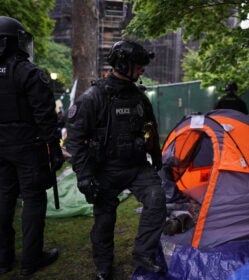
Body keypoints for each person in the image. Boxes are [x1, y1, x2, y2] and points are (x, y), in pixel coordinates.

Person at [66, 40, 167, 280]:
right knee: (104, 219)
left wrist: (156, 154)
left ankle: (143, 253)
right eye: (138, 65)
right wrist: (85, 176)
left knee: (157, 198)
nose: (142, 69)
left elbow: (150, 127)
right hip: (106, 169)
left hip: (136, 166)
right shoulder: (93, 97)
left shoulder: (139, 98)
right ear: (123, 63)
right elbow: (75, 139)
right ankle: (103, 265)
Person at [0, 16, 64, 277]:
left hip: (1, 148)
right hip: (28, 147)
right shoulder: (29, 72)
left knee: (3, 200)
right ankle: (31, 258)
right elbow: (45, 117)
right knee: (34, 201)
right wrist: (55, 149)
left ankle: (3, 260)